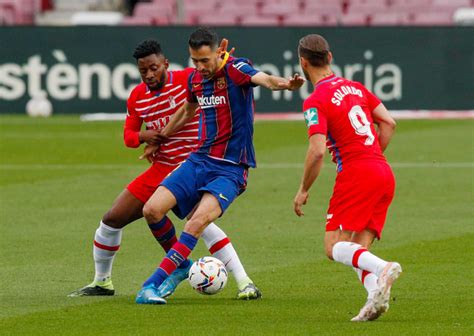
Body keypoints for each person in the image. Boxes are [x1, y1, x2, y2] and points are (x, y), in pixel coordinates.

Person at [69, 39, 262, 300]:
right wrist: (145, 137)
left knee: (200, 222)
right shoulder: (138, 96)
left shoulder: (188, 79)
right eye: (143, 71)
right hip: (162, 166)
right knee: (112, 219)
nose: (149, 74)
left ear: (165, 64)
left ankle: (243, 281)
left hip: (195, 163)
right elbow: (128, 136)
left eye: (154, 68)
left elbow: (217, 74)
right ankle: (103, 282)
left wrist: (223, 60)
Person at [135, 27, 305, 304]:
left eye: (205, 60)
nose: (200, 67)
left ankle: (150, 286)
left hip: (230, 167)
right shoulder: (196, 80)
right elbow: (188, 110)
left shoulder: (237, 69)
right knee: (151, 210)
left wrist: (287, 84)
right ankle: (180, 267)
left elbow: (266, 80)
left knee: (197, 223)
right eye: (194, 61)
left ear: (218, 52)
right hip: (199, 159)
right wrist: (161, 136)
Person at [293, 34, 402, 322]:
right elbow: (389, 123)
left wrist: (303, 189)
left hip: (356, 173)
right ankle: (373, 299)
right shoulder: (356, 87)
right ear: (329, 57)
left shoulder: (316, 100)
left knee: (333, 247)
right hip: (383, 171)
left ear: (303, 63)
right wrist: (373, 154)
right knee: (356, 248)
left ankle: (384, 268)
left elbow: (317, 152)